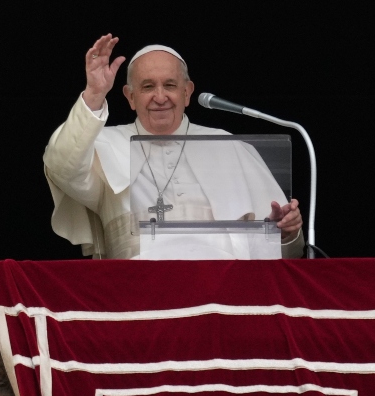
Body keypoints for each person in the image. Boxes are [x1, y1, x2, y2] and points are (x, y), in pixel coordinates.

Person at [43, 34, 304, 259]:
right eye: (147, 87)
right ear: (130, 97)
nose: (160, 97)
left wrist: (287, 233)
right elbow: (61, 166)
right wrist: (94, 94)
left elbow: (289, 255)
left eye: (170, 85)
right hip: (136, 297)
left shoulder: (229, 146)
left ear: (187, 92)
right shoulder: (103, 146)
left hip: (224, 294)